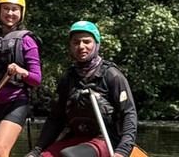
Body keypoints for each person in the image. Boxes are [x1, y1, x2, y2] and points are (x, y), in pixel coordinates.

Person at [26, 21, 138, 157]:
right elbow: (55, 120)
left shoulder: (112, 75)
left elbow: (129, 115)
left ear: (96, 44)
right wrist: (36, 151)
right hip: (75, 138)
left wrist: (123, 151)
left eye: (87, 42)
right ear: (71, 46)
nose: (81, 46)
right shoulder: (68, 78)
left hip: (105, 139)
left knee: (70, 155)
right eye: (76, 42)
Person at [0, 0, 42, 157]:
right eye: (5, 9)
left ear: (21, 12)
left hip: (15, 102)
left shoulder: (27, 41)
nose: (10, 13)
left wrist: (22, 72)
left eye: (15, 9)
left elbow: (37, 79)